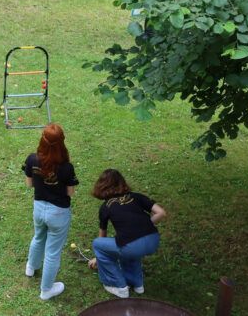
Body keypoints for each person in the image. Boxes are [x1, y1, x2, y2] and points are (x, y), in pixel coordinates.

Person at [89, 169, 167, 298]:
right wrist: (146, 224)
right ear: (122, 182)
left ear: (101, 186)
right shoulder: (136, 196)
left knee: (99, 244)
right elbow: (161, 213)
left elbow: (102, 235)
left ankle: (118, 286)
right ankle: (137, 284)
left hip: (132, 246)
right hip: (153, 240)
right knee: (126, 245)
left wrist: (97, 258)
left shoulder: (106, 207)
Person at [22, 123, 79, 301]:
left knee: (39, 236)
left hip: (39, 208)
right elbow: (70, 192)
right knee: (53, 252)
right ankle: (46, 290)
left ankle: (31, 267)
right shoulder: (66, 167)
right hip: (58, 213)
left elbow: (29, 184)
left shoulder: (32, 159)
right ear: (62, 143)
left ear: (42, 140)